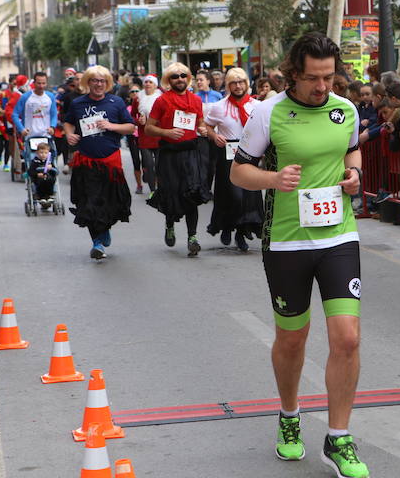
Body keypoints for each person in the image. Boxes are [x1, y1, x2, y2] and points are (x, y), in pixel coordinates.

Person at [230, 33, 369, 478]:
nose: (322, 86)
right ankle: (289, 417)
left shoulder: (344, 109)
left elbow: (352, 149)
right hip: (287, 240)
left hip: (339, 236)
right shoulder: (268, 112)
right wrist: (272, 180)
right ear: (294, 73)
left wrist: (354, 174)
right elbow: (239, 169)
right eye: (313, 78)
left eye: (329, 77)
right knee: (293, 338)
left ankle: (338, 437)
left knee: (347, 337)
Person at [63, 66, 135, 260]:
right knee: (89, 204)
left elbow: (130, 127)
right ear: (88, 82)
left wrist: (111, 126)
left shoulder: (116, 102)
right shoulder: (78, 103)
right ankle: (97, 243)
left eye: (102, 81)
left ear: (107, 84)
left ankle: (104, 231)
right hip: (86, 161)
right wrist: (70, 135)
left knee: (111, 203)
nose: (98, 84)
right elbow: (68, 122)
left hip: (110, 162)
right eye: (94, 80)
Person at [145, 63, 212, 257]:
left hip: (191, 153)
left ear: (188, 77)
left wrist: (202, 129)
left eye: (183, 75)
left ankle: (192, 237)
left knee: (192, 194)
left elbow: (201, 124)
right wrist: (166, 132)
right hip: (168, 153)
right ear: (169, 80)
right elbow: (149, 128)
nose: (180, 79)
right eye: (175, 76)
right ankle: (169, 224)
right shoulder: (162, 101)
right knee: (171, 193)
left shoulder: (196, 100)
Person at [204, 68, 263, 251]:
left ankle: (241, 232)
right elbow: (207, 126)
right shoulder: (219, 106)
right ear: (228, 86)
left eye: (241, 82)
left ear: (247, 84)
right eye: (234, 83)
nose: (238, 86)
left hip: (250, 153)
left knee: (248, 195)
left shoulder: (256, 106)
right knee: (230, 195)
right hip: (227, 155)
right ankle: (227, 226)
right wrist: (214, 137)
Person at [136, 75, 162, 196]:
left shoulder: (161, 98)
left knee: (159, 165)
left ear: (155, 85)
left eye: (150, 82)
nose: (147, 84)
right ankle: (153, 190)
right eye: (146, 82)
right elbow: (132, 115)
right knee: (148, 164)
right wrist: (138, 120)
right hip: (144, 136)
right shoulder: (138, 98)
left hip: (159, 135)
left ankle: (161, 187)